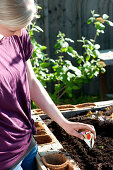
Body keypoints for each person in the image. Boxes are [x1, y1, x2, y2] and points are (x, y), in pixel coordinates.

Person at [0, 0, 96, 169]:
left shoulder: (18, 36)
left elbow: (30, 81)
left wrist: (64, 123)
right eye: (14, 29)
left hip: (27, 143)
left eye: (25, 26)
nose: (20, 33)